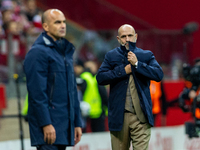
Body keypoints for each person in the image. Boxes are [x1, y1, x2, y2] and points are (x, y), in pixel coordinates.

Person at [96, 24, 163, 150]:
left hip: (141, 117)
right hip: (119, 118)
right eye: (124, 36)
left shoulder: (146, 55)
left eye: (130, 36)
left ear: (136, 37)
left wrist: (137, 64)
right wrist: (123, 70)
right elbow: (100, 78)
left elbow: (159, 74)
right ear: (118, 39)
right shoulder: (111, 56)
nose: (127, 39)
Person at [24, 9, 82, 150]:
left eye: (63, 22)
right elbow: (37, 93)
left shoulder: (65, 53)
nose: (62, 25)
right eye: (57, 22)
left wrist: (77, 122)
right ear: (45, 27)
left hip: (64, 124)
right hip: (49, 126)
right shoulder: (37, 52)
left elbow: (72, 91)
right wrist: (45, 123)